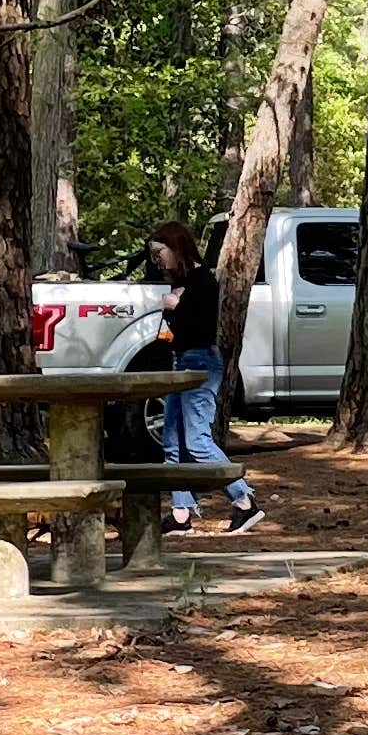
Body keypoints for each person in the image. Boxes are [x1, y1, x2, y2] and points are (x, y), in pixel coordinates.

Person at [138, 221, 259, 535]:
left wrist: (175, 307)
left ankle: (244, 500)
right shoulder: (182, 281)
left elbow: (200, 329)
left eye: (159, 253)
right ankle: (181, 513)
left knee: (196, 440)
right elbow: (177, 329)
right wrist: (172, 309)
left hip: (200, 362)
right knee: (172, 441)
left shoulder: (203, 281)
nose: (157, 260)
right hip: (180, 361)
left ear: (176, 247)